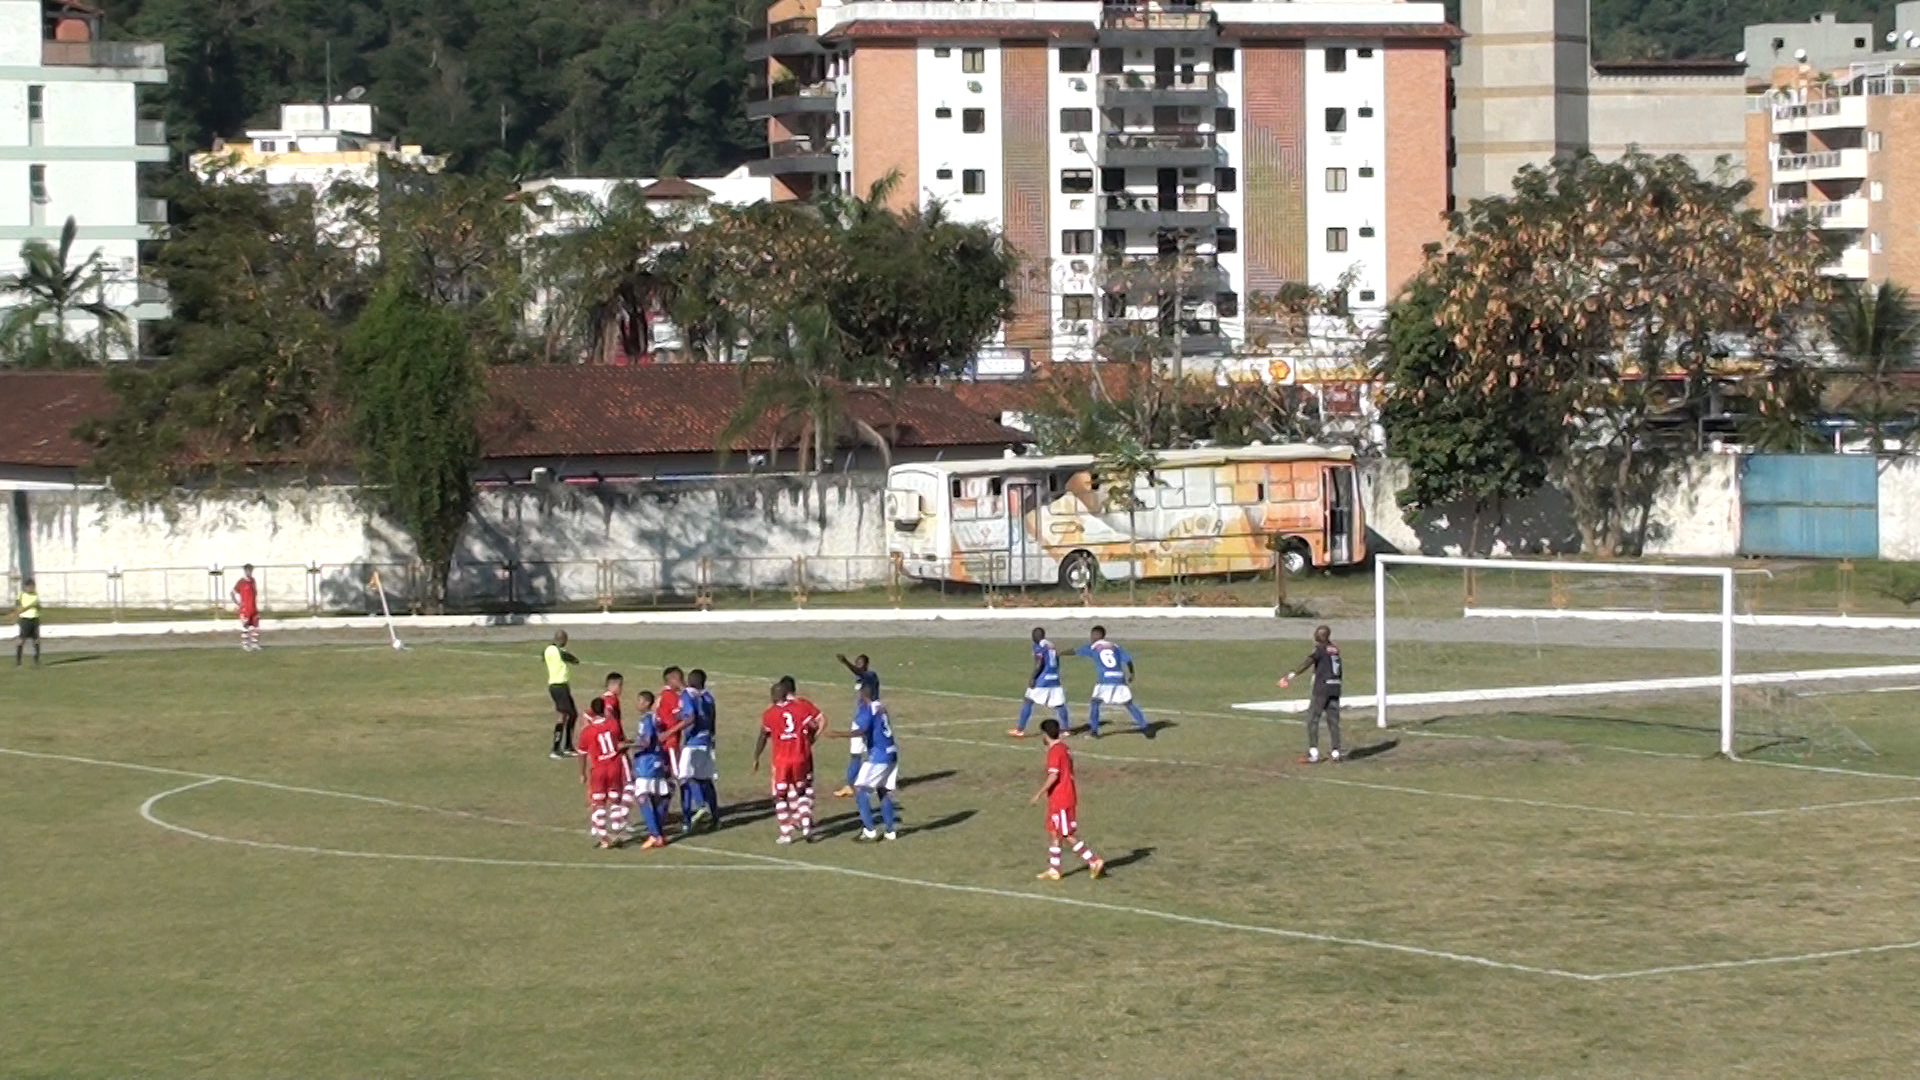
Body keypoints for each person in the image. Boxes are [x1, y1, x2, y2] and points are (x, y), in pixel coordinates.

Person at [1029, 718, 1104, 880]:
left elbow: (1054, 775)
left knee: (1066, 833)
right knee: (1055, 832)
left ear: (1044, 734)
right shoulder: (1064, 748)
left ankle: (1093, 860)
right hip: (1059, 797)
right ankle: (1054, 869)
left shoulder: (1055, 752)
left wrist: (1040, 793)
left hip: (1062, 798)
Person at [752, 677, 823, 844]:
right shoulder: (799, 709)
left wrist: (756, 756)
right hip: (800, 757)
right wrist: (807, 739)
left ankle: (786, 833)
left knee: (780, 796)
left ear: (773, 697)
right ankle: (806, 826)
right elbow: (813, 725)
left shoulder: (769, 714)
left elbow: (763, 735)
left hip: (782, 761)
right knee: (801, 792)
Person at [829, 682, 899, 841]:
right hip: (892, 753)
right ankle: (890, 831)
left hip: (879, 756)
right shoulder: (881, 707)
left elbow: (861, 730)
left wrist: (838, 734)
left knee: (860, 790)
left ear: (864, 694)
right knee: (884, 790)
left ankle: (869, 831)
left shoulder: (869, 709)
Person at [628, 690, 690, 849]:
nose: (638, 704)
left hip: (646, 763)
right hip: (656, 760)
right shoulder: (656, 719)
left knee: (642, 797)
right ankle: (659, 834)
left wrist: (627, 745)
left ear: (647, 703)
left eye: (640, 701)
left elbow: (647, 741)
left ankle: (655, 834)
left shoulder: (646, 719)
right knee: (658, 796)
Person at [1279, 624, 1344, 763]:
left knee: (1312, 719)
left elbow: (1307, 662)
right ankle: (1336, 752)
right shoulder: (1335, 649)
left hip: (1322, 688)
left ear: (1319, 636)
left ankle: (1313, 753)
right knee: (1333, 721)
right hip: (1335, 687)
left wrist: (1290, 676)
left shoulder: (1320, 649)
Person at [1074, 625, 1153, 739]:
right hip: (1119, 678)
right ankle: (1145, 728)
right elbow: (1128, 659)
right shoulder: (1115, 646)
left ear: (1098, 635)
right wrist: (1131, 673)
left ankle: (1094, 732)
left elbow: (1075, 651)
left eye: (1093, 634)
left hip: (1104, 679)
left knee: (1095, 703)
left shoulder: (1094, 647)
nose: (1091, 637)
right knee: (1129, 703)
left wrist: (1060, 653)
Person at [577, 697, 632, 849]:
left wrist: (582, 773)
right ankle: (617, 830)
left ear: (592, 711)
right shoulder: (613, 724)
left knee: (598, 802)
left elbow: (582, 753)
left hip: (599, 769)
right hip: (614, 765)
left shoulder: (587, 732)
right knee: (615, 799)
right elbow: (620, 742)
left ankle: (603, 838)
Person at [832, 652, 880, 798]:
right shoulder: (860, 678)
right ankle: (856, 784)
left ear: (866, 664)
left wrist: (846, 662)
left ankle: (865, 784)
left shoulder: (870, 675)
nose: (859, 665)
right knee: (860, 754)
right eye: (857, 662)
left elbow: (859, 672)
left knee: (866, 754)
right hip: (863, 718)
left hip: (866, 720)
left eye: (861, 663)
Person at [678, 668, 720, 833]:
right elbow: (713, 718)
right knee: (706, 780)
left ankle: (693, 815)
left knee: (685, 779)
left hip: (693, 743)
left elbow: (690, 717)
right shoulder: (708, 697)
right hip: (707, 742)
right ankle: (716, 818)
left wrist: (672, 730)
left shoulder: (687, 694)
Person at [1010, 626, 1069, 738]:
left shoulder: (1038, 646)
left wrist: (1033, 677)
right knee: (1060, 705)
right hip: (1054, 679)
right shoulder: (1052, 645)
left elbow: (1039, 663)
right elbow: (1057, 661)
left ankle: (1020, 730)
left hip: (1043, 680)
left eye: (1033, 635)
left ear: (1036, 636)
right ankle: (1066, 730)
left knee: (1028, 700)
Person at [657, 666, 695, 825]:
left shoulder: (666, 695)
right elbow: (683, 716)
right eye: (679, 678)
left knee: (667, 779)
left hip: (667, 743)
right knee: (680, 779)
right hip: (670, 744)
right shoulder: (670, 696)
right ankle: (671, 816)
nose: (683, 681)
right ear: (671, 679)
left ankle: (662, 814)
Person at [544, 632, 582, 759]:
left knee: (571, 714)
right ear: (564, 640)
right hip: (560, 686)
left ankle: (567, 746)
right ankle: (556, 749)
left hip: (555, 687)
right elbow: (573, 659)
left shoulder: (548, 649)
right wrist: (574, 659)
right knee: (563, 715)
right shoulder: (560, 651)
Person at [232, 565, 261, 652]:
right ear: (245, 571)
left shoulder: (253, 581)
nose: (249, 572)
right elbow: (232, 593)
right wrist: (238, 603)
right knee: (245, 626)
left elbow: (254, 593)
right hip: (245, 609)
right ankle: (245, 644)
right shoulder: (241, 582)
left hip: (253, 607)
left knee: (255, 626)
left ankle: (254, 644)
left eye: (251, 571)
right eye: (248, 571)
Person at [11, 577, 39, 668]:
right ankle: (18, 662)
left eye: (32, 586)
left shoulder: (35, 595)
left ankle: (36, 661)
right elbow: (18, 606)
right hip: (25, 619)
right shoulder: (22, 595)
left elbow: (35, 605)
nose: (31, 588)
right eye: (30, 586)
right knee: (21, 640)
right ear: (26, 587)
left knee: (36, 640)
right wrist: (18, 611)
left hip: (35, 618)